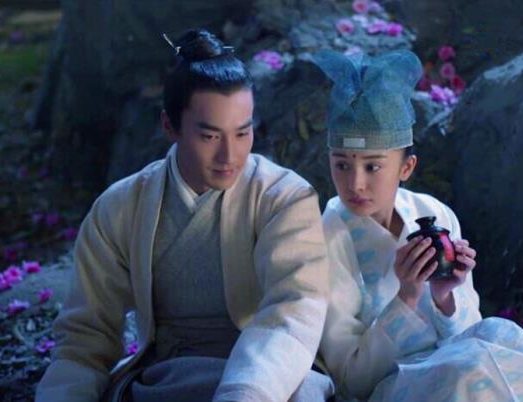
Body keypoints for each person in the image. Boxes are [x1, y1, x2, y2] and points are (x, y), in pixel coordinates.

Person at [35, 29, 334, 402]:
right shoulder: (121, 207)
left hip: (269, 376)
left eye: (242, 134)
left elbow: (292, 313)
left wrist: (244, 393)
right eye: (210, 137)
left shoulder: (283, 197)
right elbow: (85, 337)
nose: (230, 156)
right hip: (169, 376)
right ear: (169, 126)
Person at [314, 49, 523, 401]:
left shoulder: (433, 213)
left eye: (372, 166)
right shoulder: (327, 237)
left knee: (505, 335)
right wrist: (407, 297)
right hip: (398, 383)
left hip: (460, 361)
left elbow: (467, 334)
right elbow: (352, 380)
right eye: (342, 165)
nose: (355, 183)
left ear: (406, 167)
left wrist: (445, 296)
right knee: (469, 369)